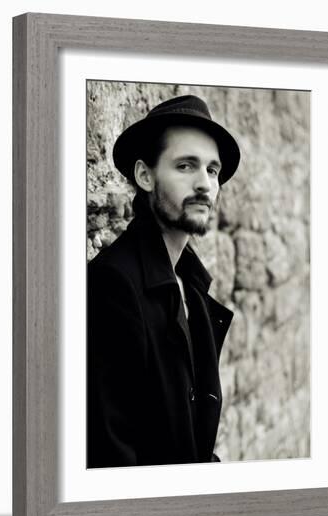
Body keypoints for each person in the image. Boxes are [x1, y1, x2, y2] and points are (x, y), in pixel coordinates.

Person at [87, 94, 241, 468]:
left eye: (212, 170)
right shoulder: (113, 284)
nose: (204, 183)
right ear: (145, 175)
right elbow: (111, 453)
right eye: (186, 166)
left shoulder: (190, 280)